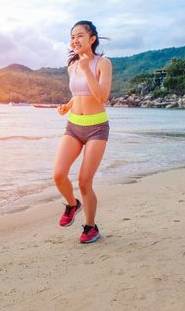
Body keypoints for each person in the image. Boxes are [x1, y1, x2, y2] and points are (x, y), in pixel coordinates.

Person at [53, 20, 112, 244]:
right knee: (58, 175)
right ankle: (71, 204)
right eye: (72, 37)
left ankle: (90, 226)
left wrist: (88, 69)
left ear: (92, 39)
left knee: (85, 181)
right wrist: (67, 106)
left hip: (97, 127)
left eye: (79, 36)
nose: (75, 40)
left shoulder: (103, 63)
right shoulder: (72, 66)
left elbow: (101, 96)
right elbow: (79, 93)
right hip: (74, 125)